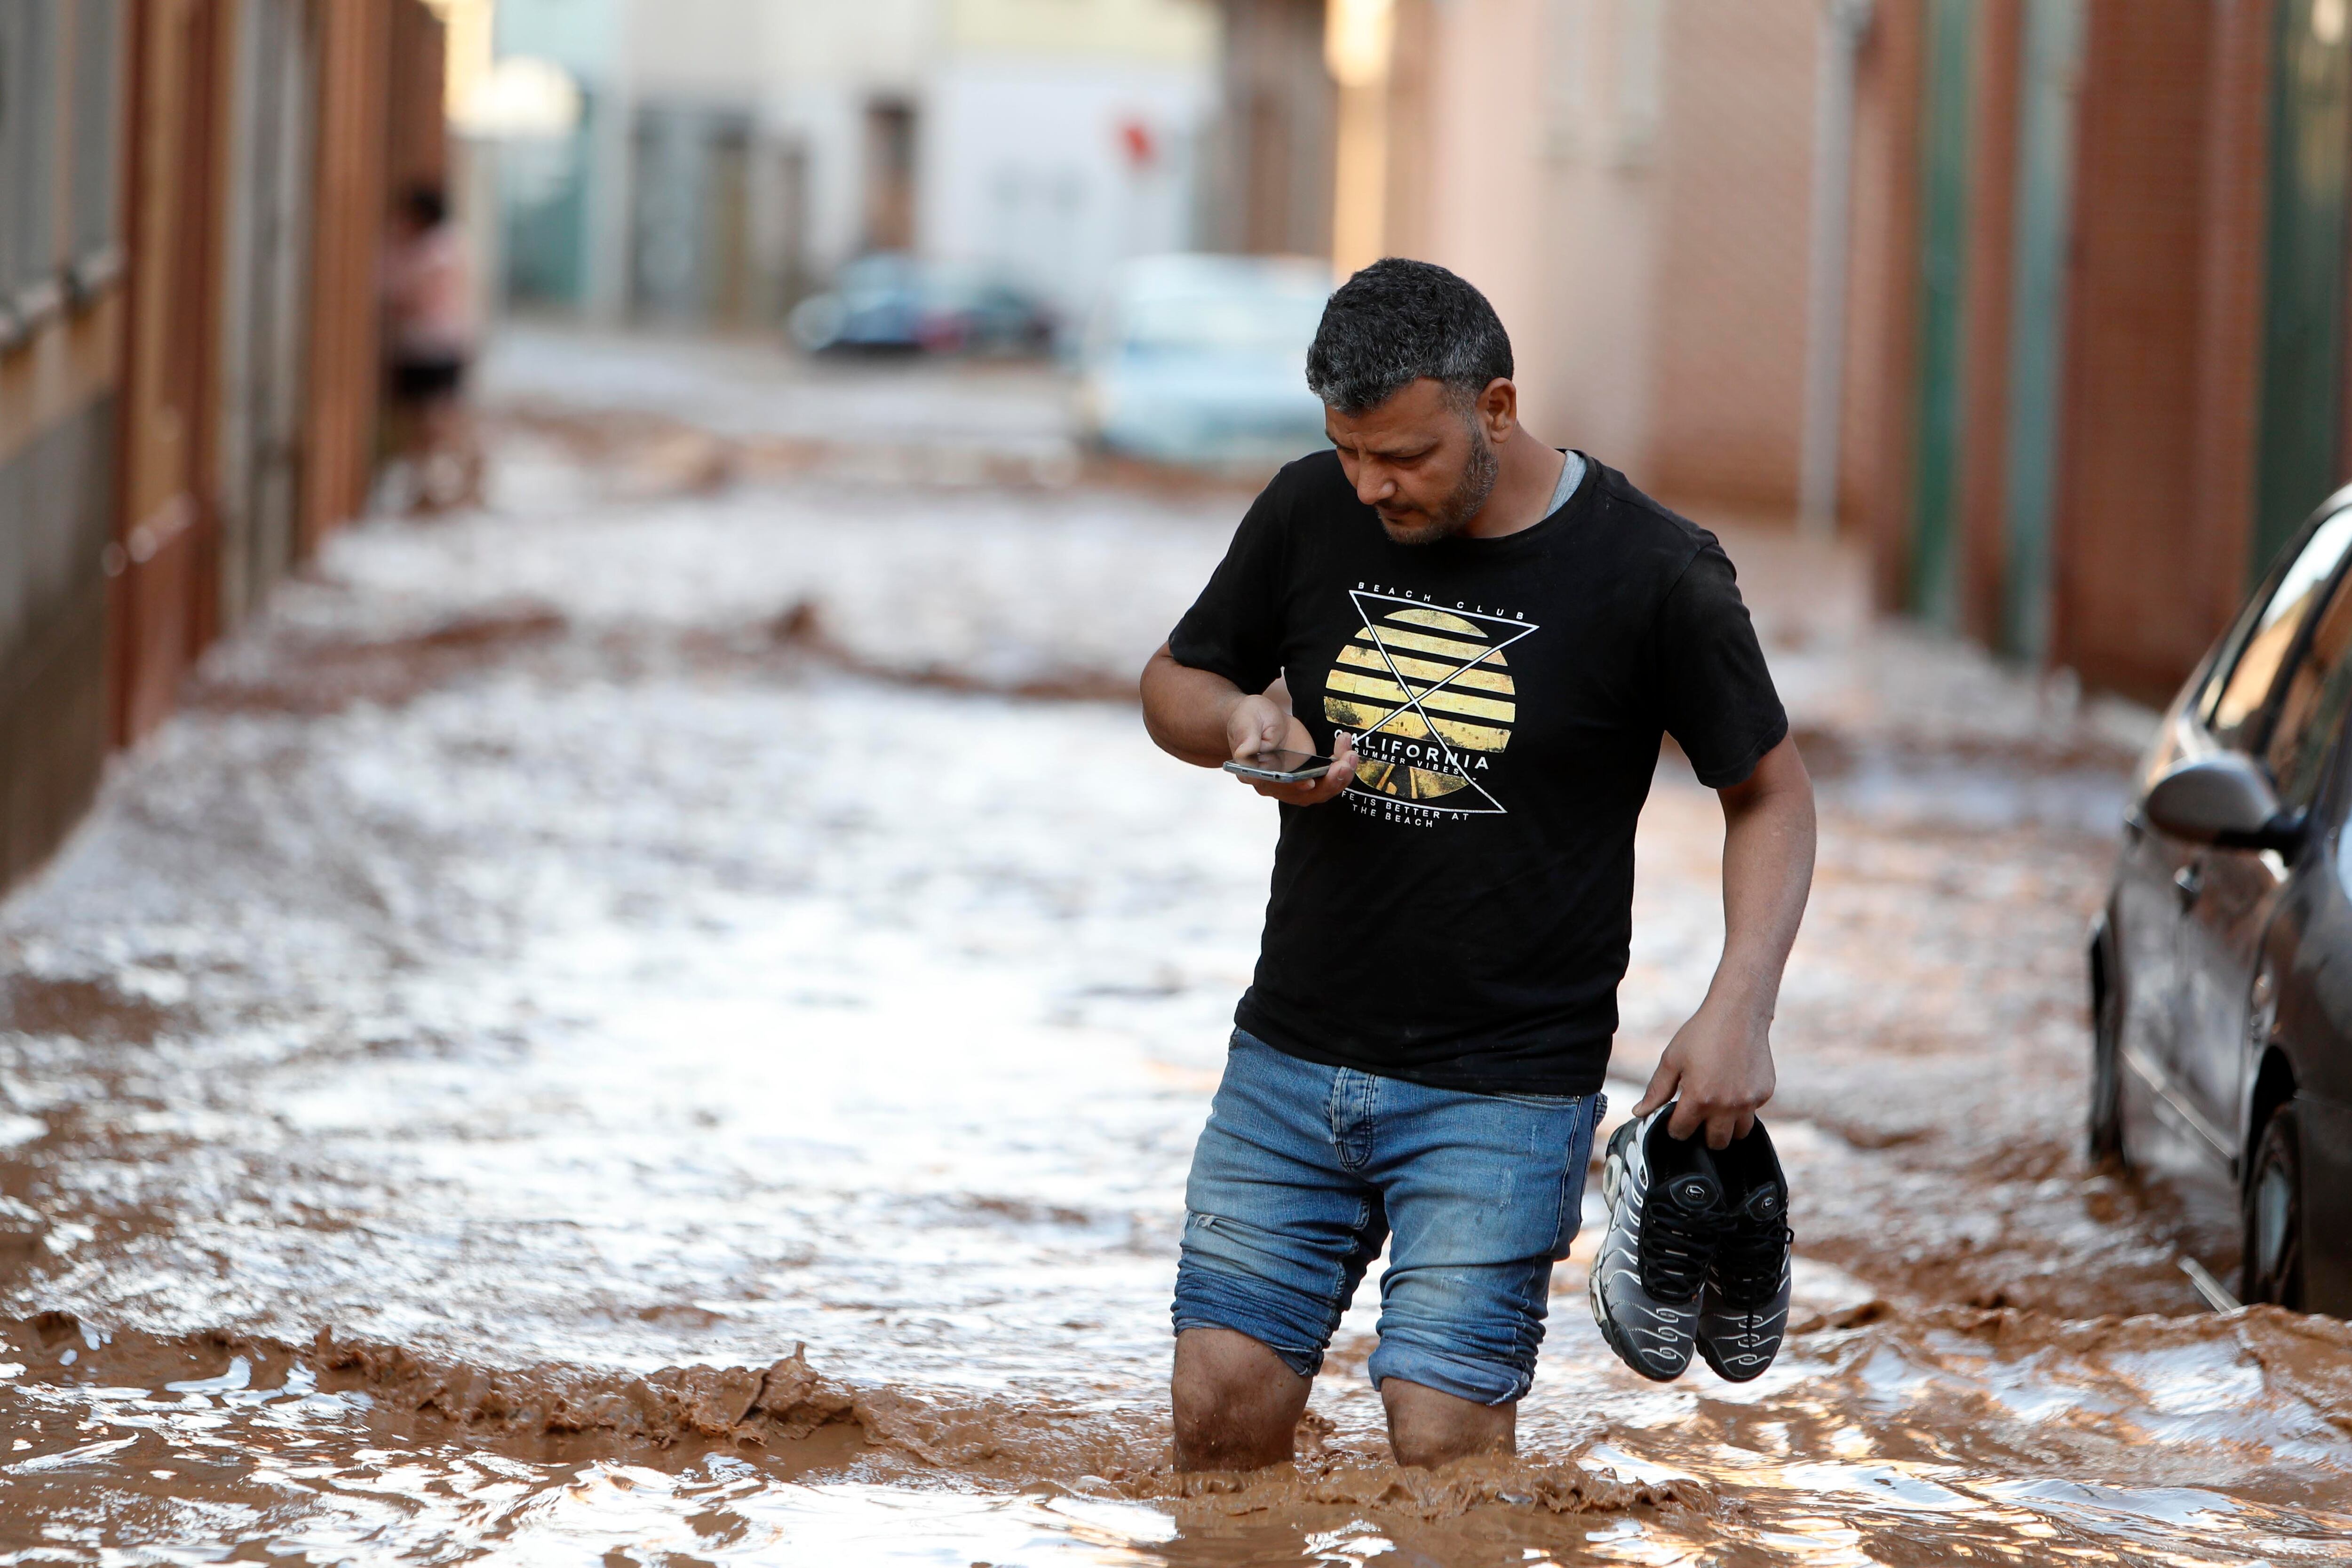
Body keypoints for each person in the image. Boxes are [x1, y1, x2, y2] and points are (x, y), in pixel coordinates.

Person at [1139, 259, 1816, 1471]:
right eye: (1348, 451)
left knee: (1445, 1452)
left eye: (1403, 456)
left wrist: (1739, 1007)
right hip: (1288, 1061)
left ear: (1494, 407)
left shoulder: (1655, 571)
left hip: (1505, 1093)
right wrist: (1240, 723)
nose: (1370, 484)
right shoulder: (1307, 511)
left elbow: (1769, 796)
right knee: (1218, 1413)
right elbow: (1171, 683)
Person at [382, 182, 483, 513]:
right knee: (434, 421)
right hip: (439, 344)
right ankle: (437, 486)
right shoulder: (448, 247)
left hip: (430, 346)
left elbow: (418, 301)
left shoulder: (433, 254)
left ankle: (459, 479)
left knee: (434, 421)